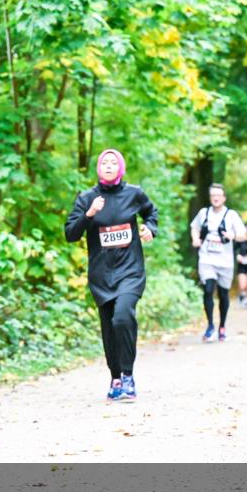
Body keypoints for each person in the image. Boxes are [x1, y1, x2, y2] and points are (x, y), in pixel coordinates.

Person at [65, 148, 158, 402]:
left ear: (120, 168)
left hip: (130, 271)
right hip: (102, 276)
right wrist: (89, 214)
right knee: (108, 328)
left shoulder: (134, 193)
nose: (108, 165)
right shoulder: (87, 198)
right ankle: (115, 378)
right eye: (104, 162)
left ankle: (128, 376)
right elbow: (71, 234)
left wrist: (150, 228)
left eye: (113, 162)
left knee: (122, 317)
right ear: (99, 168)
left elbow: (151, 213)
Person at [189, 184, 247, 342]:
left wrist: (233, 235)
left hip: (225, 261)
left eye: (218, 195)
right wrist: (195, 239)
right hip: (206, 258)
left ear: (224, 198)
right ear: (210, 198)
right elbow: (194, 227)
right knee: (208, 290)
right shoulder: (204, 213)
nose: (215, 198)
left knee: (223, 294)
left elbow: (243, 234)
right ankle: (210, 326)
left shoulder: (231, 215)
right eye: (213, 195)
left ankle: (222, 327)